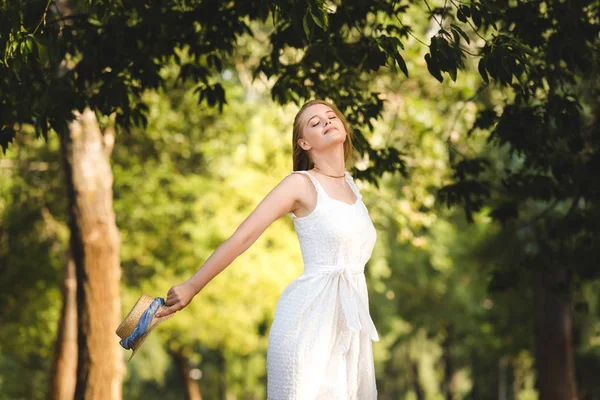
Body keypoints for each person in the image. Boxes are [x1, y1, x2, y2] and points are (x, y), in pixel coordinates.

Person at [155, 99, 379, 399]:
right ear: (304, 143)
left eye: (331, 116)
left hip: (348, 330)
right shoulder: (300, 184)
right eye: (315, 123)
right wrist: (192, 286)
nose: (326, 121)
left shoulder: (353, 187)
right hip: (307, 324)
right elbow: (242, 238)